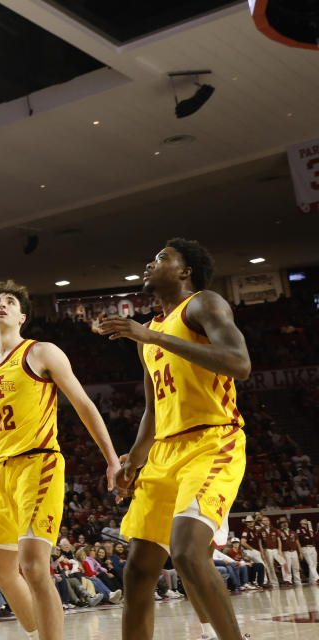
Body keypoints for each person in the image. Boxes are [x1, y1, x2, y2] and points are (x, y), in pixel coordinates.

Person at [101, 238, 251, 640]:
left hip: (212, 441)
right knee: (137, 572)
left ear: (185, 272)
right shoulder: (147, 332)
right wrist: (132, 459)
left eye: (162, 258)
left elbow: (240, 364)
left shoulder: (204, 304)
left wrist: (156, 339)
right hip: (164, 452)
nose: (150, 264)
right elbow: (153, 409)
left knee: (185, 551)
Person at [0, 280, 121, 640]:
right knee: (2, 572)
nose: (2, 305)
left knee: (34, 566)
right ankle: (41, 633)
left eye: (10, 302)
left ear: (22, 316)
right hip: (3, 472)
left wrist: (111, 458)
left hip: (39, 464)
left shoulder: (41, 352)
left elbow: (83, 404)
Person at [258, 516, 283, 588]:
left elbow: (279, 540)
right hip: (267, 550)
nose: (265, 522)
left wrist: (280, 550)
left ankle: (287, 580)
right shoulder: (260, 531)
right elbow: (260, 543)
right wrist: (262, 552)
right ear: (262, 522)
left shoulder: (274, 530)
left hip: (275, 549)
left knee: (284, 563)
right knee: (270, 566)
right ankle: (274, 583)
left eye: (266, 520)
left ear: (269, 521)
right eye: (264, 520)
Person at [278, 519, 302, 586]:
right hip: (285, 551)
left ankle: (297, 580)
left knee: (296, 567)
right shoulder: (279, 532)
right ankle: (288, 581)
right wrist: (280, 552)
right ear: (280, 524)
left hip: (294, 551)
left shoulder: (293, 532)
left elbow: (297, 543)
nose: (284, 524)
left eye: (285, 523)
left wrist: (300, 552)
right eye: (282, 523)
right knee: (286, 566)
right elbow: (278, 543)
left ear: (288, 524)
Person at [297, 518, 318, 584]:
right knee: (311, 563)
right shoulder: (299, 529)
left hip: (312, 547)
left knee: (315, 564)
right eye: (303, 521)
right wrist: (308, 538)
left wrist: (309, 538)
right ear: (301, 523)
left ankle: (312, 580)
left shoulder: (310, 529)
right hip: (305, 548)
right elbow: (303, 539)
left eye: (306, 521)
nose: (304, 522)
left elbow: (313, 538)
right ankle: (317, 578)